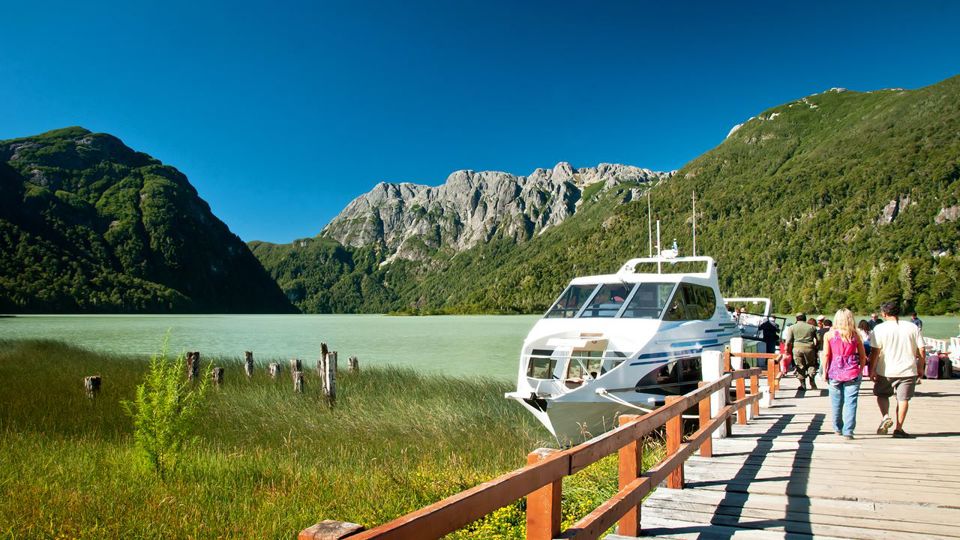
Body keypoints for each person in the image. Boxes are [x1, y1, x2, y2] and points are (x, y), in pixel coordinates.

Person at [869, 301, 924, 438]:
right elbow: (921, 349)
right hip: (908, 370)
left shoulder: (879, 329)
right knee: (903, 399)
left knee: (882, 395)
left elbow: (875, 352)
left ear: (884, 313)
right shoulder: (912, 327)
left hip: (885, 369)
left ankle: (886, 416)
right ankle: (899, 428)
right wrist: (921, 367)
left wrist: (872, 369)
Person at [824, 309, 868, 440]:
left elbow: (826, 355)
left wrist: (824, 371)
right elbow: (862, 355)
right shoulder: (855, 334)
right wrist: (860, 370)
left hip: (834, 371)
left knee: (836, 402)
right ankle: (848, 431)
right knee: (851, 402)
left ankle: (837, 428)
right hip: (852, 371)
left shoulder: (829, 335)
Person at [787, 313, 819, 390]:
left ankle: (803, 384)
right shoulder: (812, 327)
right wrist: (815, 347)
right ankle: (811, 379)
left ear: (796, 319)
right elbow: (819, 339)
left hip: (797, 348)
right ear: (805, 318)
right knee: (811, 364)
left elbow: (788, 341)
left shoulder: (792, 327)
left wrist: (786, 350)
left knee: (800, 366)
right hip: (809, 348)